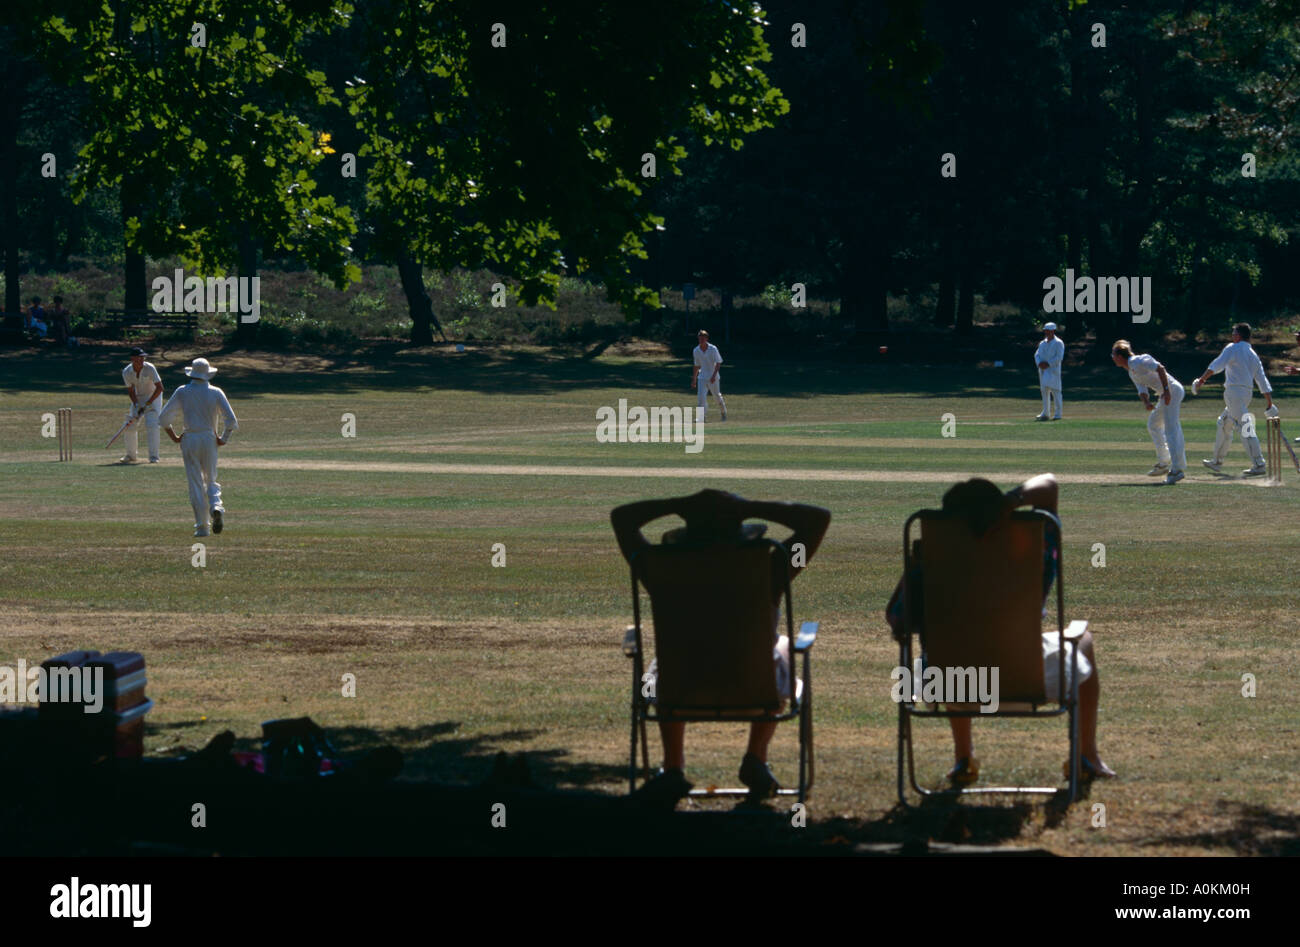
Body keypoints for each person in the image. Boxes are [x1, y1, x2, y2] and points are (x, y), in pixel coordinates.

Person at [885, 474, 1114, 785]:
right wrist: (1010, 502)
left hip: (946, 683)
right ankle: (1086, 756)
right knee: (1081, 638)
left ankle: (963, 758)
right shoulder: (1033, 546)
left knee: (950, 647)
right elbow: (1049, 485)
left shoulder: (934, 557)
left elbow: (898, 621)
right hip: (1027, 679)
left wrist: (915, 567)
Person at [611, 489, 830, 806]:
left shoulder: (660, 572)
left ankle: (673, 766)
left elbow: (622, 518)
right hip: (755, 689)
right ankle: (756, 757)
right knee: (780, 647)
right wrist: (746, 506)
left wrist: (678, 504)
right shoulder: (769, 571)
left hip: (679, 691)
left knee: (665, 659)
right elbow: (817, 519)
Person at [158, 357, 238, 537]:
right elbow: (231, 420)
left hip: (190, 438)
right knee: (210, 478)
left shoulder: (182, 391)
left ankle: (202, 527)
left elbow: (163, 419)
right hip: (209, 438)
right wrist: (223, 438)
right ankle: (216, 506)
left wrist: (175, 438)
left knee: (195, 483)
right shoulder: (216, 392)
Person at [1192, 323, 1275, 476]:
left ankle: (1259, 463)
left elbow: (1216, 365)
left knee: (1245, 427)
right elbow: (1261, 379)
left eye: (1233, 333)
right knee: (1224, 423)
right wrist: (1269, 402)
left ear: (1238, 335)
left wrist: (1201, 380)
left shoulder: (1233, 348)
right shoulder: (1253, 354)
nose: (1232, 335)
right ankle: (1216, 461)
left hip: (1234, 393)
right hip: (1245, 394)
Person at [1110, 340, 1187, 485]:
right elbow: (1142, 389)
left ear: (1120, 356)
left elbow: (1160, 368)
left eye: (1113, 354)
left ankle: (1177, 470)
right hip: (1164, 395)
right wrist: (1146, 402)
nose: (1112, 357)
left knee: (1172, 429)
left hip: (1173, 391)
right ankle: (1164, 462)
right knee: (1154, 424)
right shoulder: (1131, 371)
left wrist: (1166, 391)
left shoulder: (1139, 360)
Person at [120, 347, 165, 464]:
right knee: (130, 424)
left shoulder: (150, 368)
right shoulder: (126, 372)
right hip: (138, 398)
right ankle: (130, 455)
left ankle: (154, 457)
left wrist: (149, 403)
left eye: (142, 357)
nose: (141, 360)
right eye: (138, 358)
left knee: (152, 425)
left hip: (153, 397)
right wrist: (136, 404)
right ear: (132, 358)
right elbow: (130, 391)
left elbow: (160, 388)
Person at [691, 330, 727, 422]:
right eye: (700, 338)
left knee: (717, 397)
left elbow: (718, 362)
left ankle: (723, 413)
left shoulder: (713, 348)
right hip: (702, 377)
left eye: (703, 338)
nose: (701, 339)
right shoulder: (696, 350)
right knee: (701, 398)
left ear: (707, 338)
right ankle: (701, 417)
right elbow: (696, 365)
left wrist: (713, 376)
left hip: (713, 377)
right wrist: (694, 379)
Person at [1033, 322, 1064, 421]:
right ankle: (1045, 413)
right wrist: (1039, 363)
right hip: (1042, 370)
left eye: (1049, 331)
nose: (1047, 332)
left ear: (1053, 331)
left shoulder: (1059, 342)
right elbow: (1036, 354)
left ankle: (1058, 414)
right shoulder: (1042, 343)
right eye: (1046, 330)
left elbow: (1059, 357)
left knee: (1056, 391)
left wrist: (1048, 364)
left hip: (1053, 370)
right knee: (1044, 391)